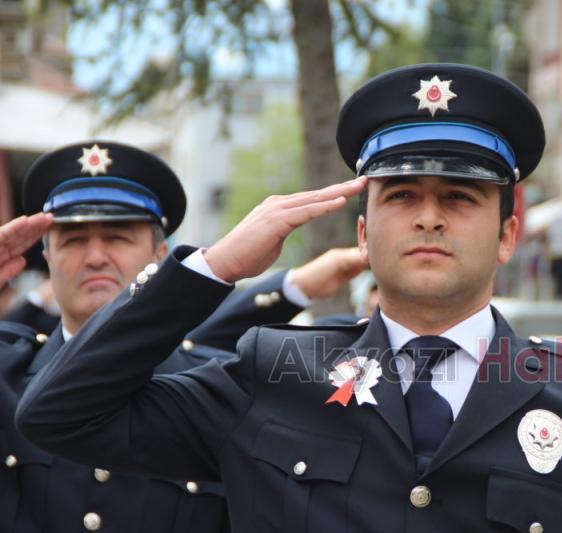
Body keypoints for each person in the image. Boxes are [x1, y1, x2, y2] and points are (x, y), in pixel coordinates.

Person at [17, 65, 562, 532]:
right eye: (403, 196)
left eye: (459, 197)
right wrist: (212, 268)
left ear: (508, 234)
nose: (429, 218)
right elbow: (58, 414)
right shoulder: (271, 374)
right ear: (364, 229)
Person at [0, 141, 364, 533]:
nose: (95, 257)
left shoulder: (213, 386)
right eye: (72, 241)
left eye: (118, 238)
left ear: (160, 256)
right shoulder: (8, 371)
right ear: (47, 257)